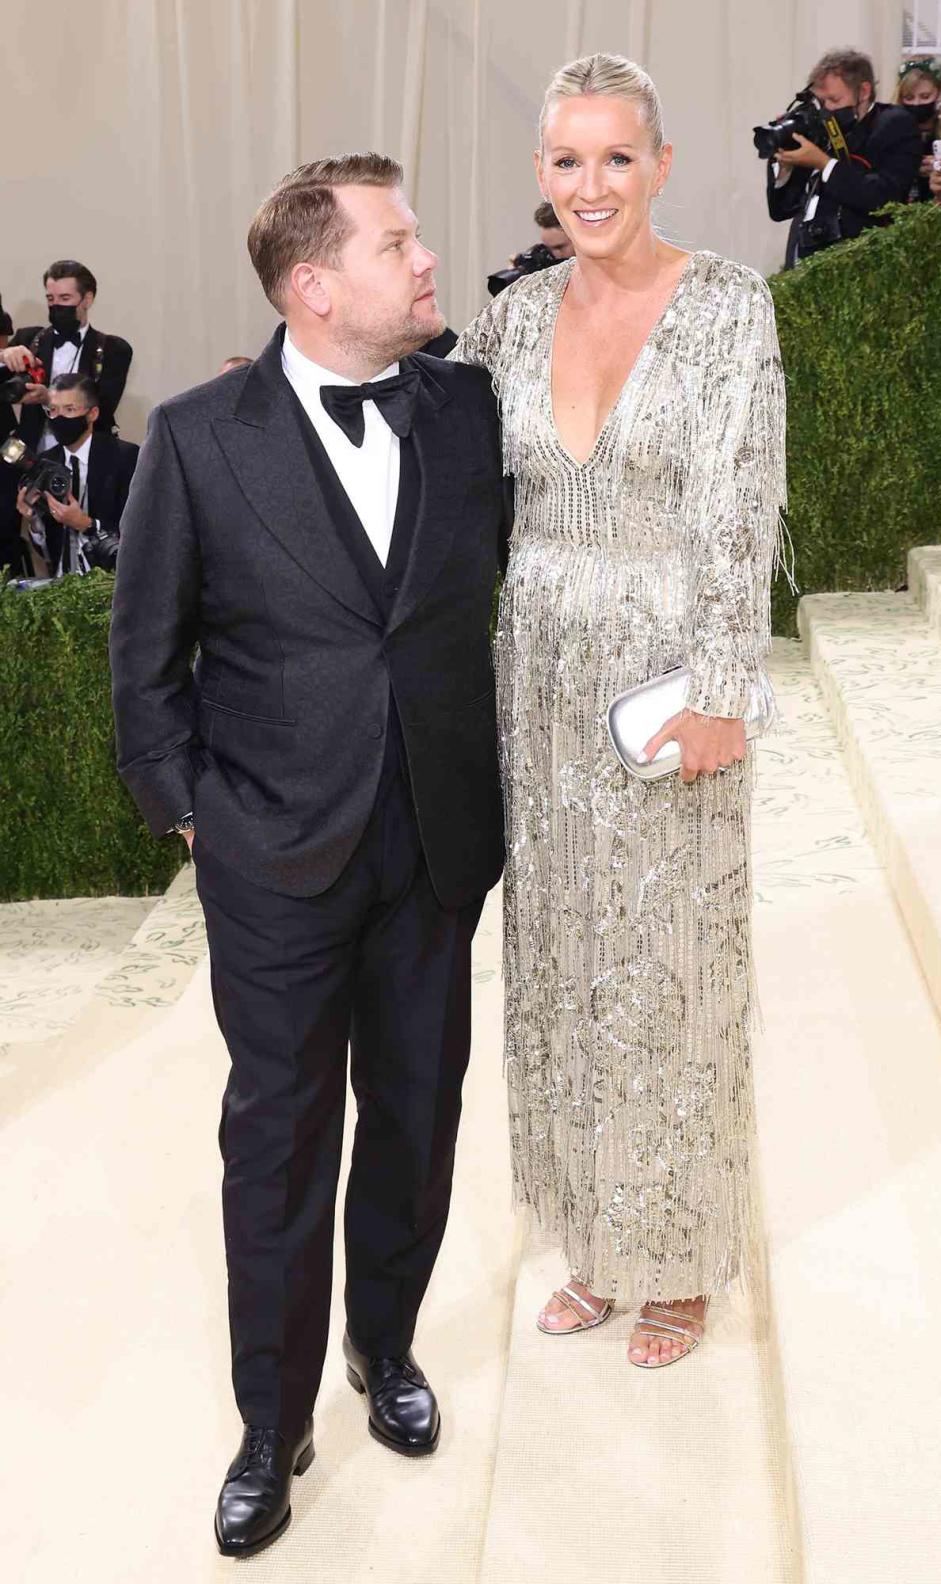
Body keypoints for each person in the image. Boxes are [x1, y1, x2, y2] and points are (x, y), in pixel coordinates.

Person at [109, 153, 508, 1559]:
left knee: (416, 1119)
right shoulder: (201, 434)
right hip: (272, 856)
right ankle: (268, 1429)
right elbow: (144, 653)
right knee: (278, 1147)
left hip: (435, 841)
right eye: (399, 242)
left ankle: (383, 1349)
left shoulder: (462, 407)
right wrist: (192, 816)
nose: (427, 260)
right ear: (313, 284)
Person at [451, 52, 785, 1368]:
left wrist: (717, 690)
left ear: (657, 165)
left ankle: (685, 1256)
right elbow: (459, 498)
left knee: (675, 971)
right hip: (532, 690)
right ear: (543, 175)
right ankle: (593, 1238)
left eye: (616, 158)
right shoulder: (514, 320)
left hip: (665, 691)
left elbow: (739, 507)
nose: (592, 185)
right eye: (567, 161)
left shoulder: (725, 308)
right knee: (564, 969)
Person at [767, 48, 921, 267]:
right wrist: (785, 167)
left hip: (858, 273)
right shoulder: (819, 130)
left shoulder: (893, 124)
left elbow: (883, 199)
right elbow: (781, 209)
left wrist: (824, 164)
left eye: (835, 99)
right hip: (800, 270)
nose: (827, 109)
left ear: (864, 91)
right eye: (822, 101)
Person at [13, 373, 137, 577]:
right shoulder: (45, 462)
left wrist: (85, 524)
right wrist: (33, 520)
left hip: (110, 581)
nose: (59, 417)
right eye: (53, 410)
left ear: (92, 414)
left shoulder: (125, 457)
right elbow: (45, 550)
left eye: (69, 410)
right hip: (62, 584)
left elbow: (139, 530)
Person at [0, 260, 133, 448]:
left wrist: (49, 399)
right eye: (50, 299)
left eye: (64, 299)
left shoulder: (114, 349)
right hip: (31, 453)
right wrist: (3, 355)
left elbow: (102, 408)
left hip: (87, 453)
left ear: (87, 299)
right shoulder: (29, 339)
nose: (56, 306)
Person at [893, 55, 941, 204]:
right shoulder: (889, 130)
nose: (917, 104)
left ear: (940, 92)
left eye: (925, 96)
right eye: (909, 97)